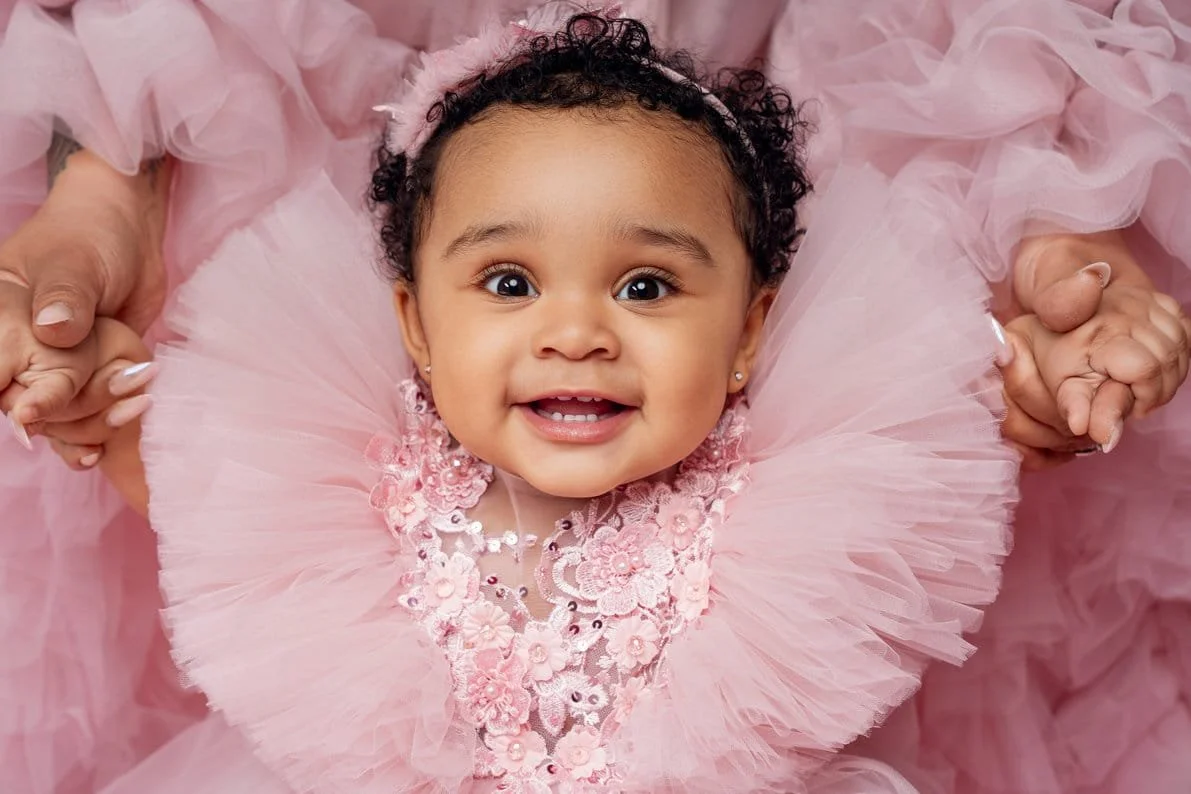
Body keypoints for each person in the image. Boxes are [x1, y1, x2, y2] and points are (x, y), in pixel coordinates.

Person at [0, 1, 1187, 793]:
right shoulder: (353, 476)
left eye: (647, 283)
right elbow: (212, 498)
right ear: (414, 321)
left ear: (751, 330)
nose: (576, 332)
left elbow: (959, 435)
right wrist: (90, 415)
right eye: (509, 281)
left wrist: (1071, 366)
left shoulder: (801, 474)